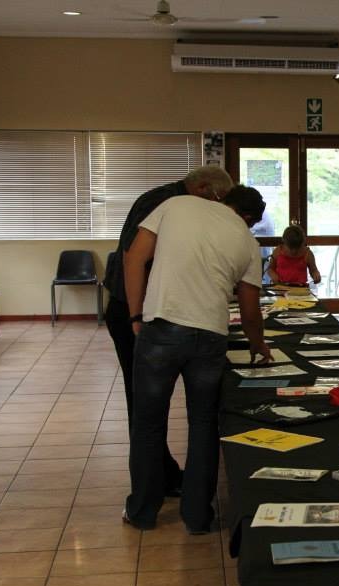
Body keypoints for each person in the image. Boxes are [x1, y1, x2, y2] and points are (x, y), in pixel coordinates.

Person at [122, 185, 271, 533]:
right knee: (203, 424)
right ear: (248, 218)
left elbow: (134, 258)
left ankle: (142, 511)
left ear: (223, 199)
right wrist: (258, 344)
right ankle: (198, 516)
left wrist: (135, 315)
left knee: (148, 424)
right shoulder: (246, 240)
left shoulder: (176, 205)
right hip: (210, 335)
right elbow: (250, 310)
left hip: (162, 325)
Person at [102, 165, 234, 498]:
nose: (219, 206)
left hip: (152, 310)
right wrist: (138, 316)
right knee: (144, 404)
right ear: (202, 188)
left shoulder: (175, 201)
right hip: (135, 309)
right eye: (219, 198)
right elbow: (135, 259)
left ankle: (161, 477)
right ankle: (153, 485)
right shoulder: (164, 203)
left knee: (150, 404)